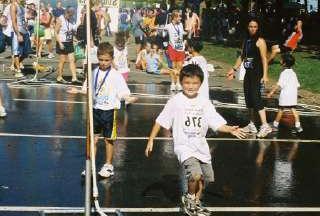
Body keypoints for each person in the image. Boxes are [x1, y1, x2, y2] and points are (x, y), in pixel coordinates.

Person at [145, 64, 246, 216]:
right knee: (195, 175)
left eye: (194, 83)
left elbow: (216, 122)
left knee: (206, 179)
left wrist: (230, 129)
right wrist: (151, 139)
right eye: (187, 82)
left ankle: (196, 202)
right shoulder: (176, 100)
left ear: (200, 83)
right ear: (180, 82)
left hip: (201, 146)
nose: (190, 86)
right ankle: (189, 198)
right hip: (184, 146)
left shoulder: (204, 102)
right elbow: (161, 120)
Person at [81, 42, 137, 177]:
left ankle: (108, 165)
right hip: (95, 109)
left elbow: (123, 91)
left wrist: (127, 98)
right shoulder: (93, 72)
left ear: (112, 59)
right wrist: (78, 91)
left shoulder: (116, 75)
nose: (103, 62)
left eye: (107, 60)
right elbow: (86, 89)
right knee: (93, 138)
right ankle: (90, 165)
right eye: (101, 60)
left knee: (108, 139)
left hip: (109, 111)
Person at [227, 19, 272, 138]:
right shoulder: (246, 40)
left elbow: (264, 59)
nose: (253, 28)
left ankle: (265, 125)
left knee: (256, 98)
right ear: (247, 27)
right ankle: (252, 124)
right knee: (249, 99)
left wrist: (265, 75)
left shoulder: (260, 41)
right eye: (251, 26)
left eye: (255, 26)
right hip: (248, 73)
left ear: (258, 28)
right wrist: (234, 69)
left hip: (257, 73)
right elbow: (242, 56)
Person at [267, 53, 303, 133]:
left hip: (285, 95)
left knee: (281, 109)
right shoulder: (293, 73)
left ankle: (275, 125)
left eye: (281, 60)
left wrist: (271, 92)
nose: (280, 60)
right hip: (293, 95)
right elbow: (297, 85)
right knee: (293, 109)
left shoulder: (283, 73)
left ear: (284, 63)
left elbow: (278, 84)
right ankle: (298, 126)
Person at [55, 6, 80, 84]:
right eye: (70, 15)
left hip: (69, 42)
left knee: (72, 60)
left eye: (72, 15)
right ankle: (59, 77)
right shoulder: (60, 19)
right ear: (66, 12)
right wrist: (60, 43)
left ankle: (74, 78)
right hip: (62, 42)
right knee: (62, 61)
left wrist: (74, 39)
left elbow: (71, 31)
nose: (71, 16)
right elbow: (55, 32)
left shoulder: (71, 20)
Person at [165, 10, 185, 91]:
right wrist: (153, 28)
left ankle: (178, 83)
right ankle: (173, 83)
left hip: (180, 48)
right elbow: (160, 28)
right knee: (173, 67)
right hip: (172, 48)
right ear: (174, 17)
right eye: (179, 16)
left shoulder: (181, 25)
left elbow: (182, 33)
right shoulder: (168, 26)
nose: (180, 18)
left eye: (180, 16)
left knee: (179, 66)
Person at [10, 0, 31, 78]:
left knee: (26, 52)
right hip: (17, 31)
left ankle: (16, 65)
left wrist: (26, 23)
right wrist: (18, 34)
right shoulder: (13, 6)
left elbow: (23, 18)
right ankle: (18, 70)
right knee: (16, 52)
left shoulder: (21, 6)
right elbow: (13, 21)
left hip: (24, 30)